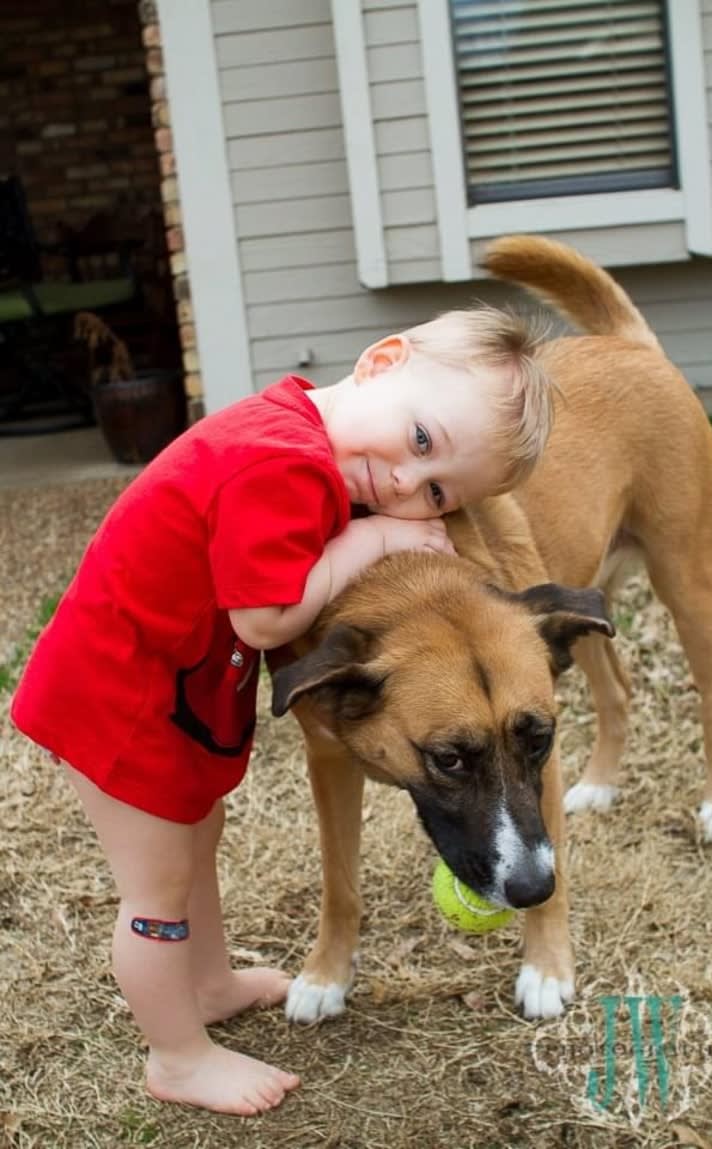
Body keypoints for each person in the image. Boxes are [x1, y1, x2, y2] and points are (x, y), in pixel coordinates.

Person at [10, 305, 552, 1117]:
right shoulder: (281, 463)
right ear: (380, 361)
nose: (407, 484)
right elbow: (264, 619)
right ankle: (177, 1055)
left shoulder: (300, 433)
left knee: (198, 838)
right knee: (155, 888)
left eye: (436, 488)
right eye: (421, 439)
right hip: (117, 700)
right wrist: (368, 546)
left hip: (164, 690)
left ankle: (211, 981)